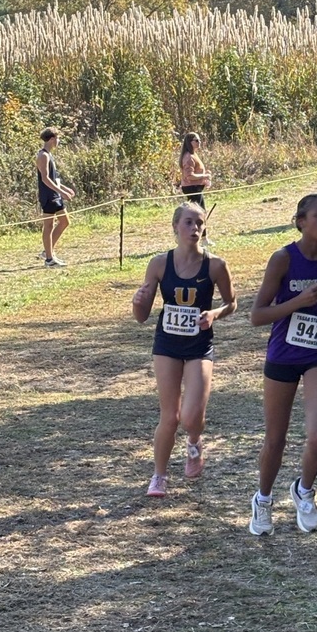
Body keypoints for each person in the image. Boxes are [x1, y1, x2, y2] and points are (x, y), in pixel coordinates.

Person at [248, 193, 317, 536]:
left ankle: (304, 491)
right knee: (275, 440)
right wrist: (296, 302)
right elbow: (256, 315)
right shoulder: (283, 259)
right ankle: (263, 500)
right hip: (283, 355)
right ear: (301, 221)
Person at [132, 202, 237, 498]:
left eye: (200, 224)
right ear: (176, 227)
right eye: (189, 223)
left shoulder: (215, 265)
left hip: (199, 345)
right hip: (166, 344)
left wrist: (214, 314)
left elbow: (232, 303)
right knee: (170, 416)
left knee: (191, 417)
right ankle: (159, 476)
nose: (195, 229)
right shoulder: (159, 264)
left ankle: (194, 442)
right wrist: (138, 300)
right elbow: (141, 316)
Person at [36, 128, 75, 268]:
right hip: (48, 195)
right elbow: (45, 179)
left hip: (54, 193)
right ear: (52, 139)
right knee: (49, 225)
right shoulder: (43, 155)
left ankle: (47, 251)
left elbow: (54, 178)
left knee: (64, 221)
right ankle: (49, 259)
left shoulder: (48, 155)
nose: (58, 141)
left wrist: (65, 189)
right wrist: (61, 192)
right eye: (57, 138)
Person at [179, 132, 212, 209]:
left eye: (200, 140)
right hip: (192, 188)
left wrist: (204, 174)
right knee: (198, 212)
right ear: (190, 142)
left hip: (195, 187)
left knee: (200, 211)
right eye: (196, 140)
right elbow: (190, 176)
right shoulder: (189, 157)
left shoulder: (193, 154)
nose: (199, 142)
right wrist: (204, 176)